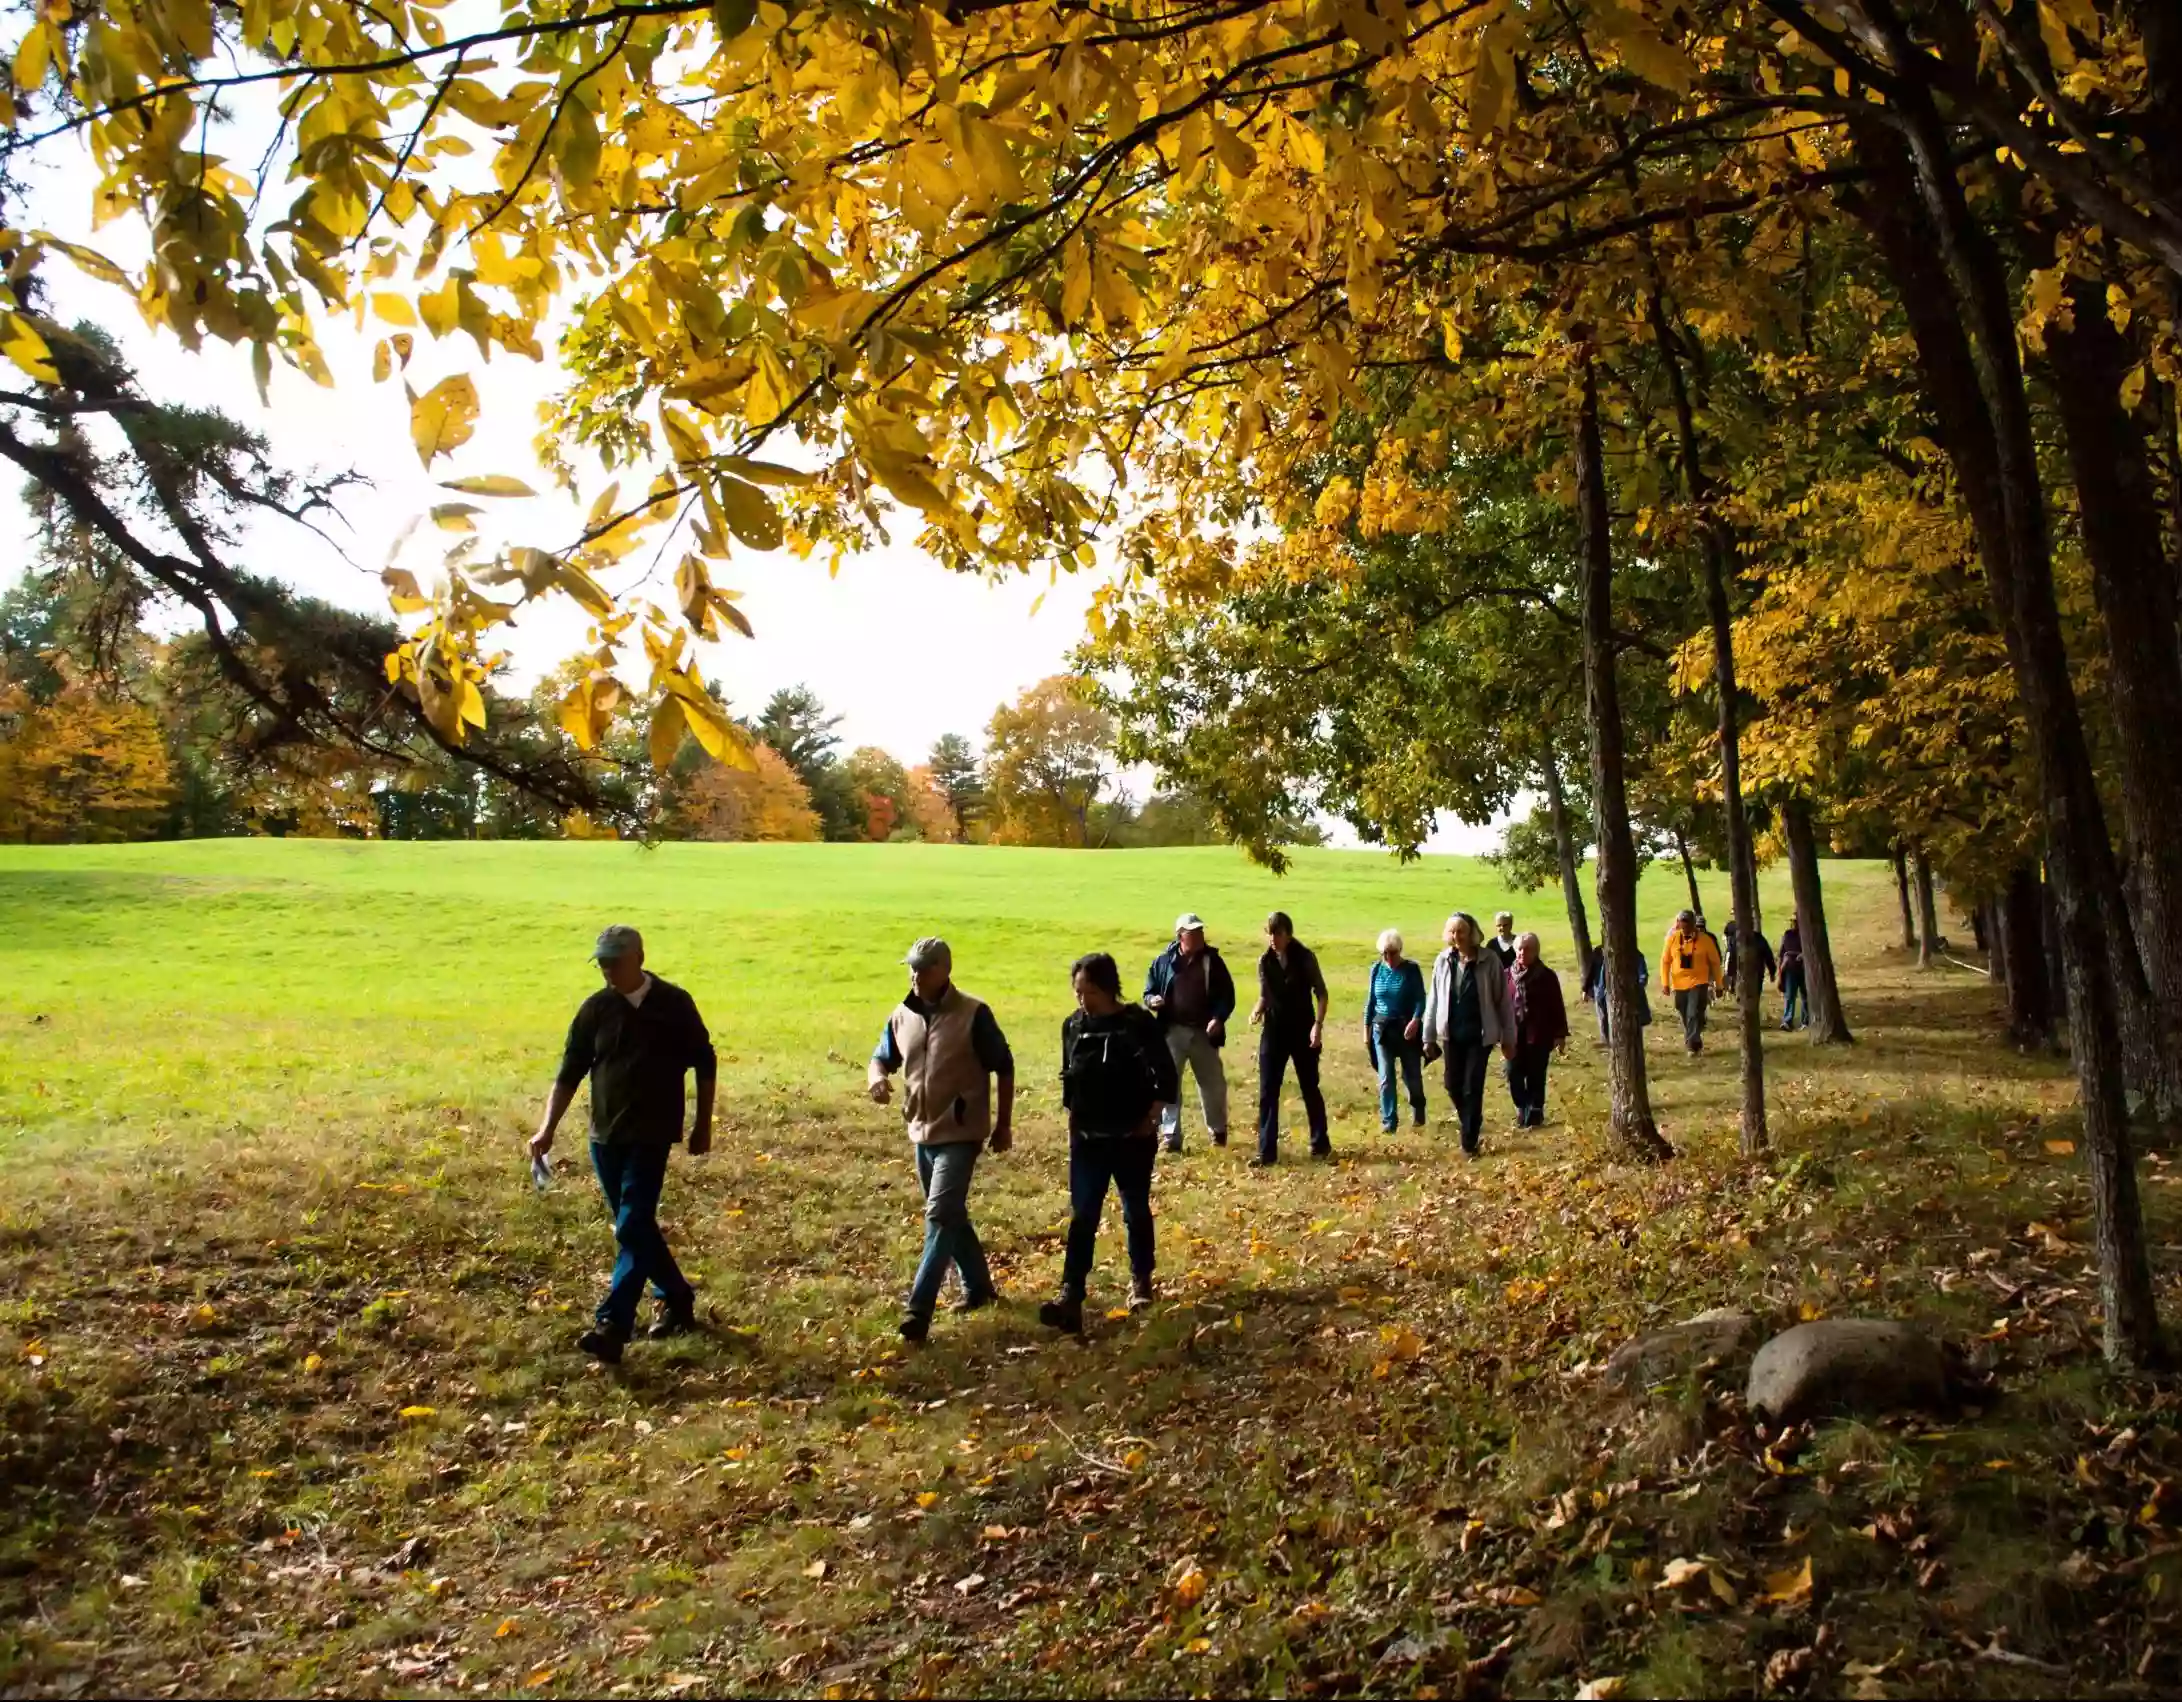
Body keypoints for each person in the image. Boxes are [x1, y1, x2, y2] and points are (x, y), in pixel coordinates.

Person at [531, 925, 715, 1366]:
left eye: (615, 960)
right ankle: (677, 1298)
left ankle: (613, 1324)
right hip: (604, 1135)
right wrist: (546, 1128)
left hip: (652, 1133)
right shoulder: (596, 1009)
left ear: (639, 956)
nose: (609, 970)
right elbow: (570, 1071)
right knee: (636, 1226)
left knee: (632, 1226)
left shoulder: (674, 1004)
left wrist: (702, 1124)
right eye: (603, 962)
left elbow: (705, 1061)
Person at [868, 937, 1015, 1343]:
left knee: (939, 1214)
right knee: (950, 1215)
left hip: (961, 1132)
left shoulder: (973, 1014)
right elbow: (881, 1056)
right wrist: (877, 1078)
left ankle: (918, 1308)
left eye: (922, 969)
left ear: (943, 970)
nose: (914, 977)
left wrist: (1003, 1124)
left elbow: (1003, 1065)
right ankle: (980, 1289)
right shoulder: (903, 1015)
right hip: (921, 1129)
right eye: (911, 968)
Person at [1040, 952, 1178, 1334]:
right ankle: (1071, 1293)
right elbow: (1070, 1077)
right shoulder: (1072, 1026)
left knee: (1134, 1209)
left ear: (1106, 988)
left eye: (1088, 992)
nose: (1082, 1000)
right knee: (1083, 1214)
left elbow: (1166, 1075)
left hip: (1132, 1138)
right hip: (1087, 1139)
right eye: (1077, 992)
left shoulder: (1137, 1024)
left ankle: (1141, 1282)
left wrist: (1151, 1119)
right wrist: (1072, 1120)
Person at [1422, 911, 1513, 1157]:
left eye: (1461, 931)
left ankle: (1469, 1143)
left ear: (1472, 933)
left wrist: (1508, 1038)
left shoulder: (1490, 960)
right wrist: (1428, 1036)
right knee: (1452, 1085)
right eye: (1452, 931)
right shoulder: (1443, 960)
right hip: (1451, 1035)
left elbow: (1503, 1001)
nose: (1456, 936)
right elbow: (1434, 999)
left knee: (1472, 1086)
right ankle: (1472, 1118)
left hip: (1480, 1035)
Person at [1143, 913, 1235, 1153]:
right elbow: (1149, 990)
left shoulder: (1213, 962)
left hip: (1203, 1033)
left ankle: (1218, 1132)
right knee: (1168, 1085)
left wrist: (1218, 1018)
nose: (1199, 937)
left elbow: (1227, 995)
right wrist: (1152, 1000)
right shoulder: (1163, 962)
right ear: (1180, 936)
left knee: (1213, 1084)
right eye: (1193, 933)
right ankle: (1171, 1136)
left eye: (1200, 932)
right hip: (1172, 1031)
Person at [1249, 910, 1330, 1165]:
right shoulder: (1265, 961)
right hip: (1274, 1030)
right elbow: (1265, 994)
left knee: (1309, 1086)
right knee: (1268, 1090)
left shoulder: (1305, 958)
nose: (1273, 939)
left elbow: (1322, 993)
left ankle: (1320, 1144)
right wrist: (1257, 1010)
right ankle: (1266, 1151)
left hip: (1302, 1028)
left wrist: (1317, 1025)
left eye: (1277, 933)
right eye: (1269, 933)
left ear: (1288, 934)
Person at [1363, 928, 1428, 1133]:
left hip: (1406, 1028)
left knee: (1412, 1077)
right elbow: (1371, 1002)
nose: (1389, 958)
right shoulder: (1376, 970)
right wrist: (1366, 1030)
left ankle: (1418, 1108)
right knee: (1386, 1077)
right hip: (1381, 1029)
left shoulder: (1411, 970)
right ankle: (1389, 1121)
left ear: (1400, 951)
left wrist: (1416, 1020)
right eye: (1385, 954)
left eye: (1393, 953)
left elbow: (1420, 999)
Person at [1504, 932, 1569, 1127]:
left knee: (1535, 1074)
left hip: (1538, 1034)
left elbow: (1557, 1006)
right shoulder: (1506, 975)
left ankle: (1535, 1111)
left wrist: (1560, 1034)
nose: (1523, 952)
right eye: (1520, 949)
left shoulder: (1546, 976)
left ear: (1536, 951)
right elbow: (1500, 1004)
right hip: (1513, 1034)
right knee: (1512, 1072)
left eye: (1528, 949)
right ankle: (1521, 1106)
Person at [1662, 909, 1726, 1054]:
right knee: (1681, 1009)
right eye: (1681, 926)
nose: (1684, 929)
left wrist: (1719, 984)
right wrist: (1665, 983)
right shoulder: (1672, 939)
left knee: (1692, 1012)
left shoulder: (1705, 940)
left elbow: (1715, 963)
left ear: (1693, 925)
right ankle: (1695, 1038)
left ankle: (1691, 1044)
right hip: (1678, 983)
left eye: (1686, 926)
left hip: (1699, 982)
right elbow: (1665, 961)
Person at [1586, 942, 1652, 1042]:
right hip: (1605, 996)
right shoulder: (1602, 954)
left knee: (1632, 1023)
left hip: (1629, 998)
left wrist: (1633, 989)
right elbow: (1594, 973)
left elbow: (1643, 976)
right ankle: (1609, 1042)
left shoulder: (1635, 955)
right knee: (1606, 1021)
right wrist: (1587, 989)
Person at [1778, 916, 1810, 1030]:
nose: (1794, 924)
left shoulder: (1807, 934)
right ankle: (1787, 1020)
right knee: (1790, 995)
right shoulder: (1788, 935)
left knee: (1805, 995)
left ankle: (1806, 1021)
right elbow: (1782, 953)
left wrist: (1803, 955)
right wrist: (1781, 968)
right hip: (1790, 969)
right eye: (1793, 921)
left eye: (1796, 921)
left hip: (1804, 969)